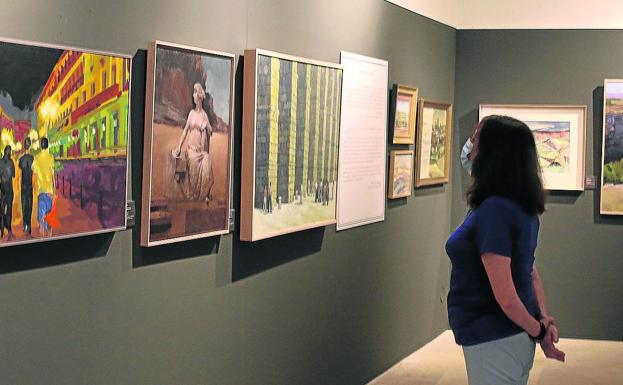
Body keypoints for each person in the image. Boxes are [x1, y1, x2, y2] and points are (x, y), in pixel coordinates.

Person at [445, 116, 565, 385]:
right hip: (507, 335)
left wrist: (538, 329)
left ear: (493, 153)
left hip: (495, 335)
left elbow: (507, 297)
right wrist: (541, 320)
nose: (470, 145)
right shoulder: (518, 204)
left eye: (476, 138)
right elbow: (528, 271)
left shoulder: (494, 210)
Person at [174, 82, 214, 204]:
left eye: (196, 92)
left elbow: (211, 131)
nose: (194, 95)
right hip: (191, 150)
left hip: (201, 152)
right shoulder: (191, 114)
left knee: (207, 161)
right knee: (193, 166)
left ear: (200, 96)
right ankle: (194, 195)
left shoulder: (204, 115)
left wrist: (206, 125)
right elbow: (185, 131)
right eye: (193, 92)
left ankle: (202, 195)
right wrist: (179, 146)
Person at [33, 137, 55, 237]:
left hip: (40, 192)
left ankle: (42, 243)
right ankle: (50, 241)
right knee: (50, 222)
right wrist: (54, 192)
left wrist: (35, 189)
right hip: (49, 192)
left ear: (40, 146)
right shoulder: (51, 157)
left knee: (41, 223)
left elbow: (34, 175)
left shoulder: (36, 158)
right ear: (47, 145)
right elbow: (53, 175)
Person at [18, 137, 34, 235]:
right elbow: (34, 173)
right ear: (30, 146)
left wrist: (18, 185)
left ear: (24, 146)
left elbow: (20, 175)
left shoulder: (21, 159)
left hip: (23, 185)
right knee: (30, 205)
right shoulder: (32, 158)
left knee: (24, 205)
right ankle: (29, 225)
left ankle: (25, 225)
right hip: (30, 185)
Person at [0, 145, 15, 240]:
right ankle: (9, 229)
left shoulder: (0, 162)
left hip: (2, 188)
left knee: (2, 209)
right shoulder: (11, 162)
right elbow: (13, 175)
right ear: (9, 152)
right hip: (9, 188)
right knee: (9, 209)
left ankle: (2, 230)